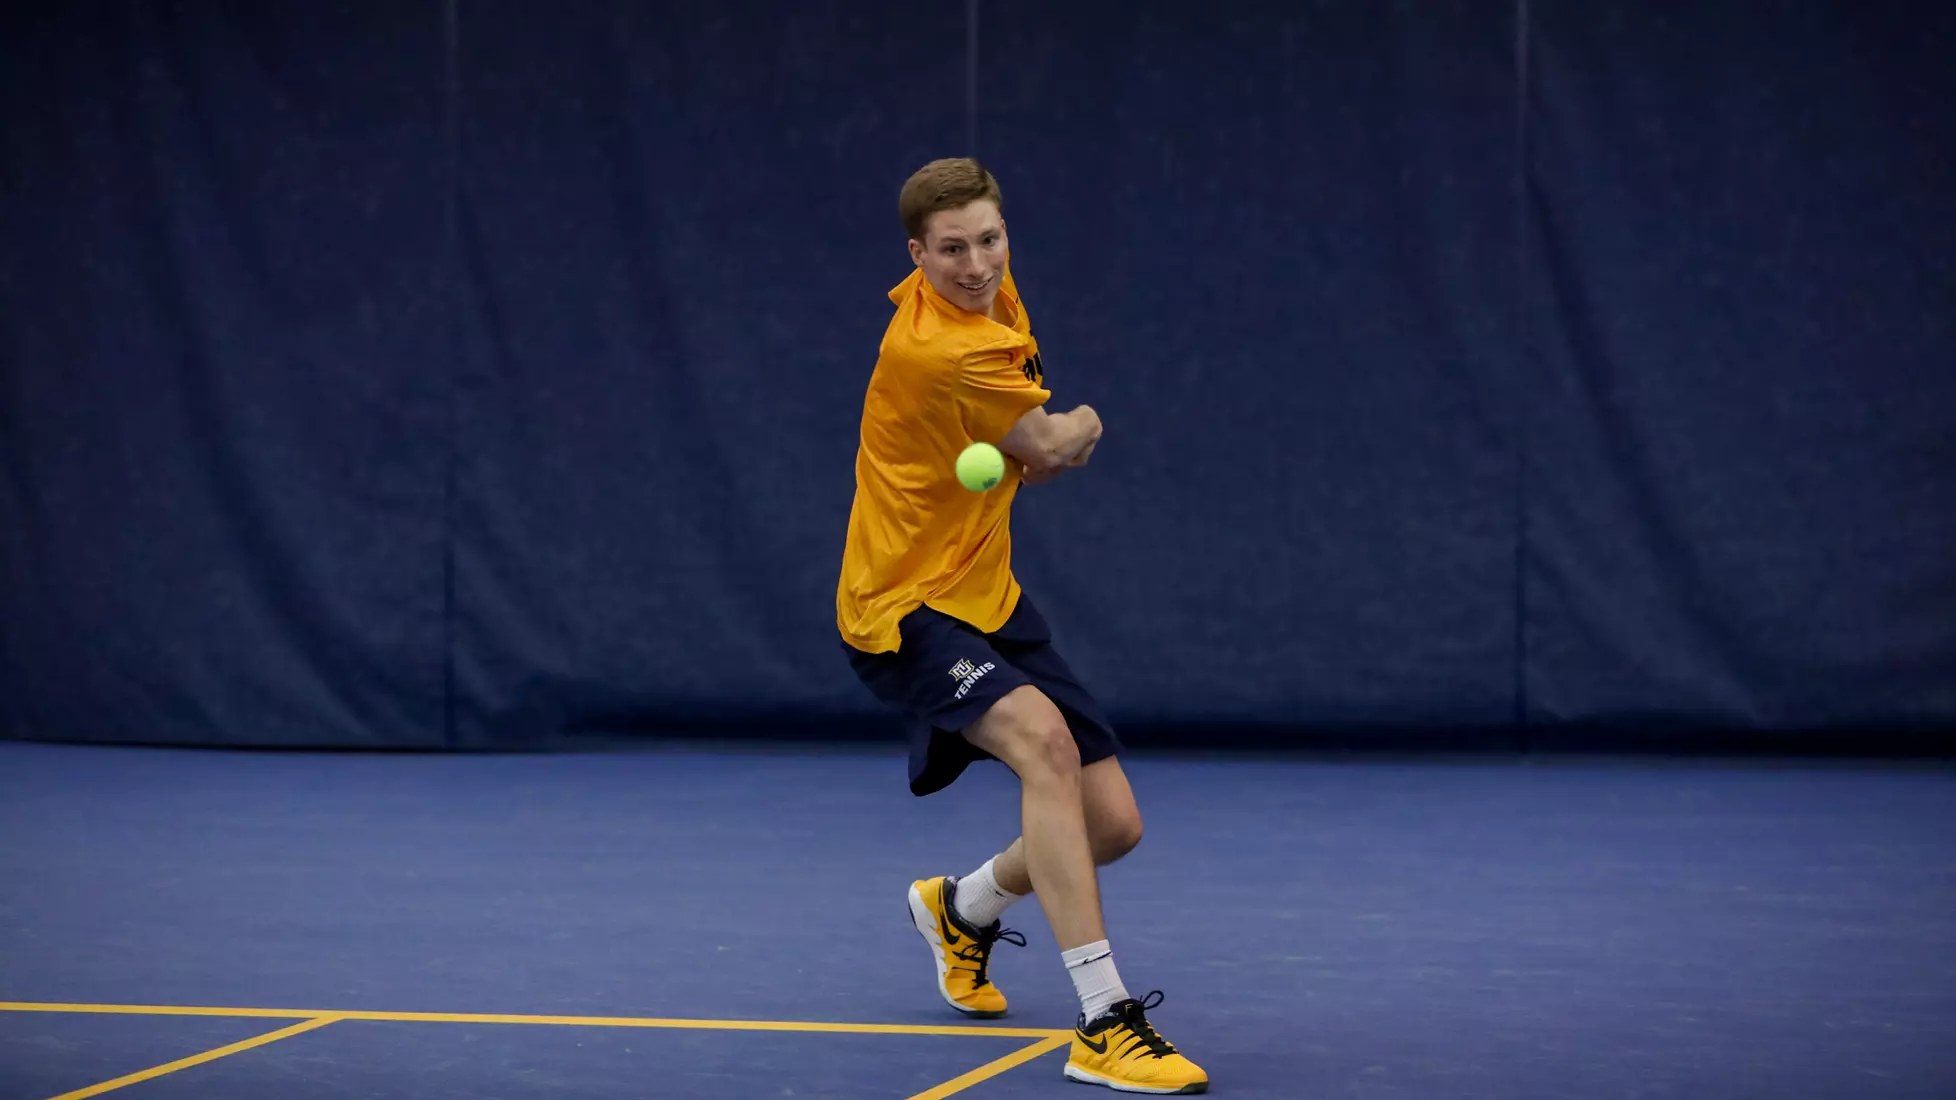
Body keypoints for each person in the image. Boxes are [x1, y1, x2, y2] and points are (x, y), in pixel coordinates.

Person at [835, 157, 1208, 1095]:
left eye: (989, 241)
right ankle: (1105, 1020)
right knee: (1042, 743)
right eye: (951, 249)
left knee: (1110, 825)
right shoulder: (935, 346)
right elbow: (1047, 443)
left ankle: (960, 909)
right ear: (916, 254)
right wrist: (1077, 423)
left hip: (985, 593)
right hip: (900, 605)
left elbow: (1012, 449)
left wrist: (1022, 449)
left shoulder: (993, 305)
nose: (975, 264)